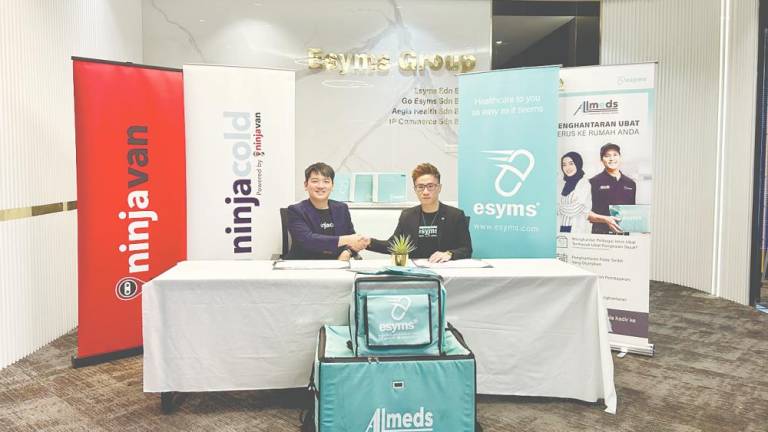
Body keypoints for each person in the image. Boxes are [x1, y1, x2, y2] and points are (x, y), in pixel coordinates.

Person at [368, 163, 472, 262]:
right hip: (415, 272)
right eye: (420, 187)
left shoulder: (455, 215)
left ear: (439, 188)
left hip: (444, 270)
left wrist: (449, 254)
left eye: (430, 186)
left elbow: (466, 249)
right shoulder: (407, 216)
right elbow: (394, 246)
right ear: (415, 189)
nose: (425, 192)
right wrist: (368, 243)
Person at [286, 162, 369, 260]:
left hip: (338, 265)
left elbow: (354, 240)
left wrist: (347, 252)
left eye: (326, 181)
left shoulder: (341, 209)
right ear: (305, 185)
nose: (321, 186)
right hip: (305, 266)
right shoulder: (295, 211)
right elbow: (308, 240)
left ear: (332, 186)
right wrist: (346, 239)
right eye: (315, 181)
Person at [588, 143, 636, 234]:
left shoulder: (630, 183)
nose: (612, 158)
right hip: (600, 236)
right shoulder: (593, 182)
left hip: (624, 235)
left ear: (620, 157)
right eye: (607, 156)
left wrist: (641, 224)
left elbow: (632, 212)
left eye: (615, 155)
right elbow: (585, 214)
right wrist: (606, 219)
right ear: (601, 160)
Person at [558, 151, 592, 233]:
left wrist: (558, 207)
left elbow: (574, 210)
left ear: (578, 164)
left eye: (571, 163)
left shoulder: (584, 183)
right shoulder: (563, 184)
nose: (567, 167)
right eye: (564, 165)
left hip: (576, 229)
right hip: (561, 228)